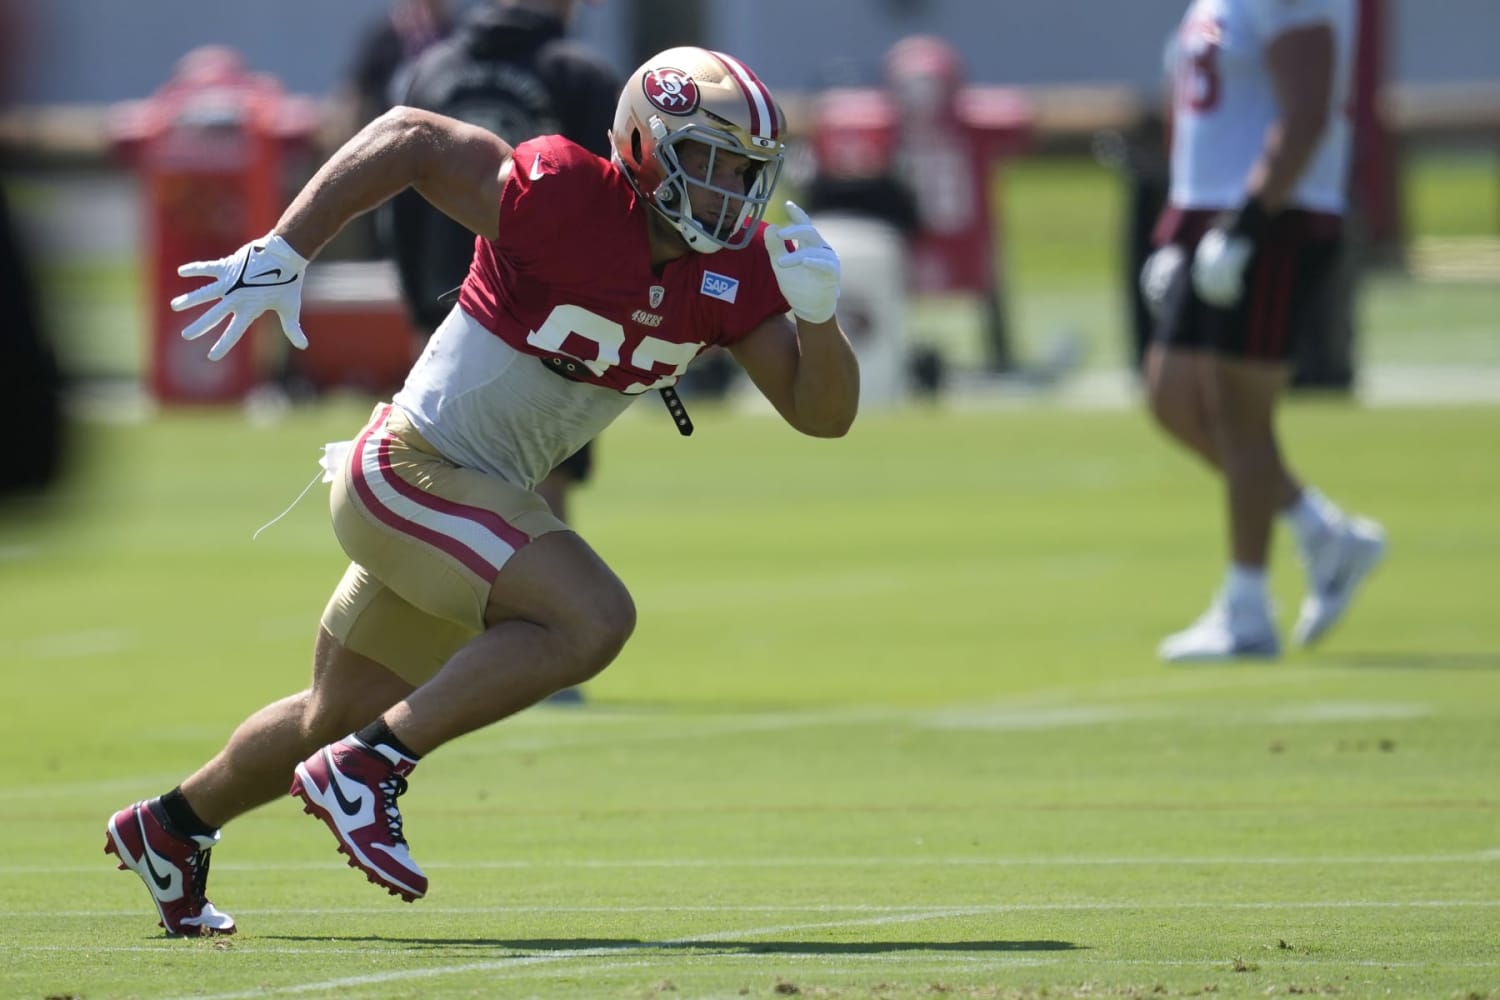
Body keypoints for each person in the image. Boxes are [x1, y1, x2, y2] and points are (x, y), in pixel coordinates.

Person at [104, 46, 858, 937]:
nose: (731, 187)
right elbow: (412, 136)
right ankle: (373, 769)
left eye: (747, 169)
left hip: (465, 502)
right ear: (646, 145)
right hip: (412, 471)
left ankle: (172, 827)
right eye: (710, 158)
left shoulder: (732, 275)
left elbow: (822, 414)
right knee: (592, 617)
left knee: (329, 715)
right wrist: (288, 247)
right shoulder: (568, 194)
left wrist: (819, 316)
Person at [1140, 0, 1385, 663]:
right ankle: (1321, 531)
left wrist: (1245, 226)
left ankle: (1246, 610)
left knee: (1240, 417)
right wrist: (1175, 231)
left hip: (1273, 216)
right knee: (1172, 399)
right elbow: (1204, 122)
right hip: (1210, 214)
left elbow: (1306, 112)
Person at [387, 0, 621, 525]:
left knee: (434, 479)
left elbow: (400, 205)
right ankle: (544, 606)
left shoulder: (432, 70)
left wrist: (415, 309)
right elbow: (618, 207)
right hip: (555, 311)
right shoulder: (580, 74)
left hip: (447, 302)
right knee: (543, 485)